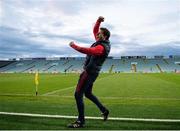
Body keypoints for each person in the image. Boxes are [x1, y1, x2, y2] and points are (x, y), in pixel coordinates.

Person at [68, 16, 111, 128]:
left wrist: (74, 46)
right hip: (93, 72)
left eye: (100, 33)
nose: (97, 34)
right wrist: (98, 21)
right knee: (87, 93)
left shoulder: (101, 47)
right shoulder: (101, 42)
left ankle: (80, 121)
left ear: (104, 36)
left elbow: (87, 50)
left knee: (78, 94)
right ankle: (104, 110)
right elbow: (95, 30)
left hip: (89, 72)